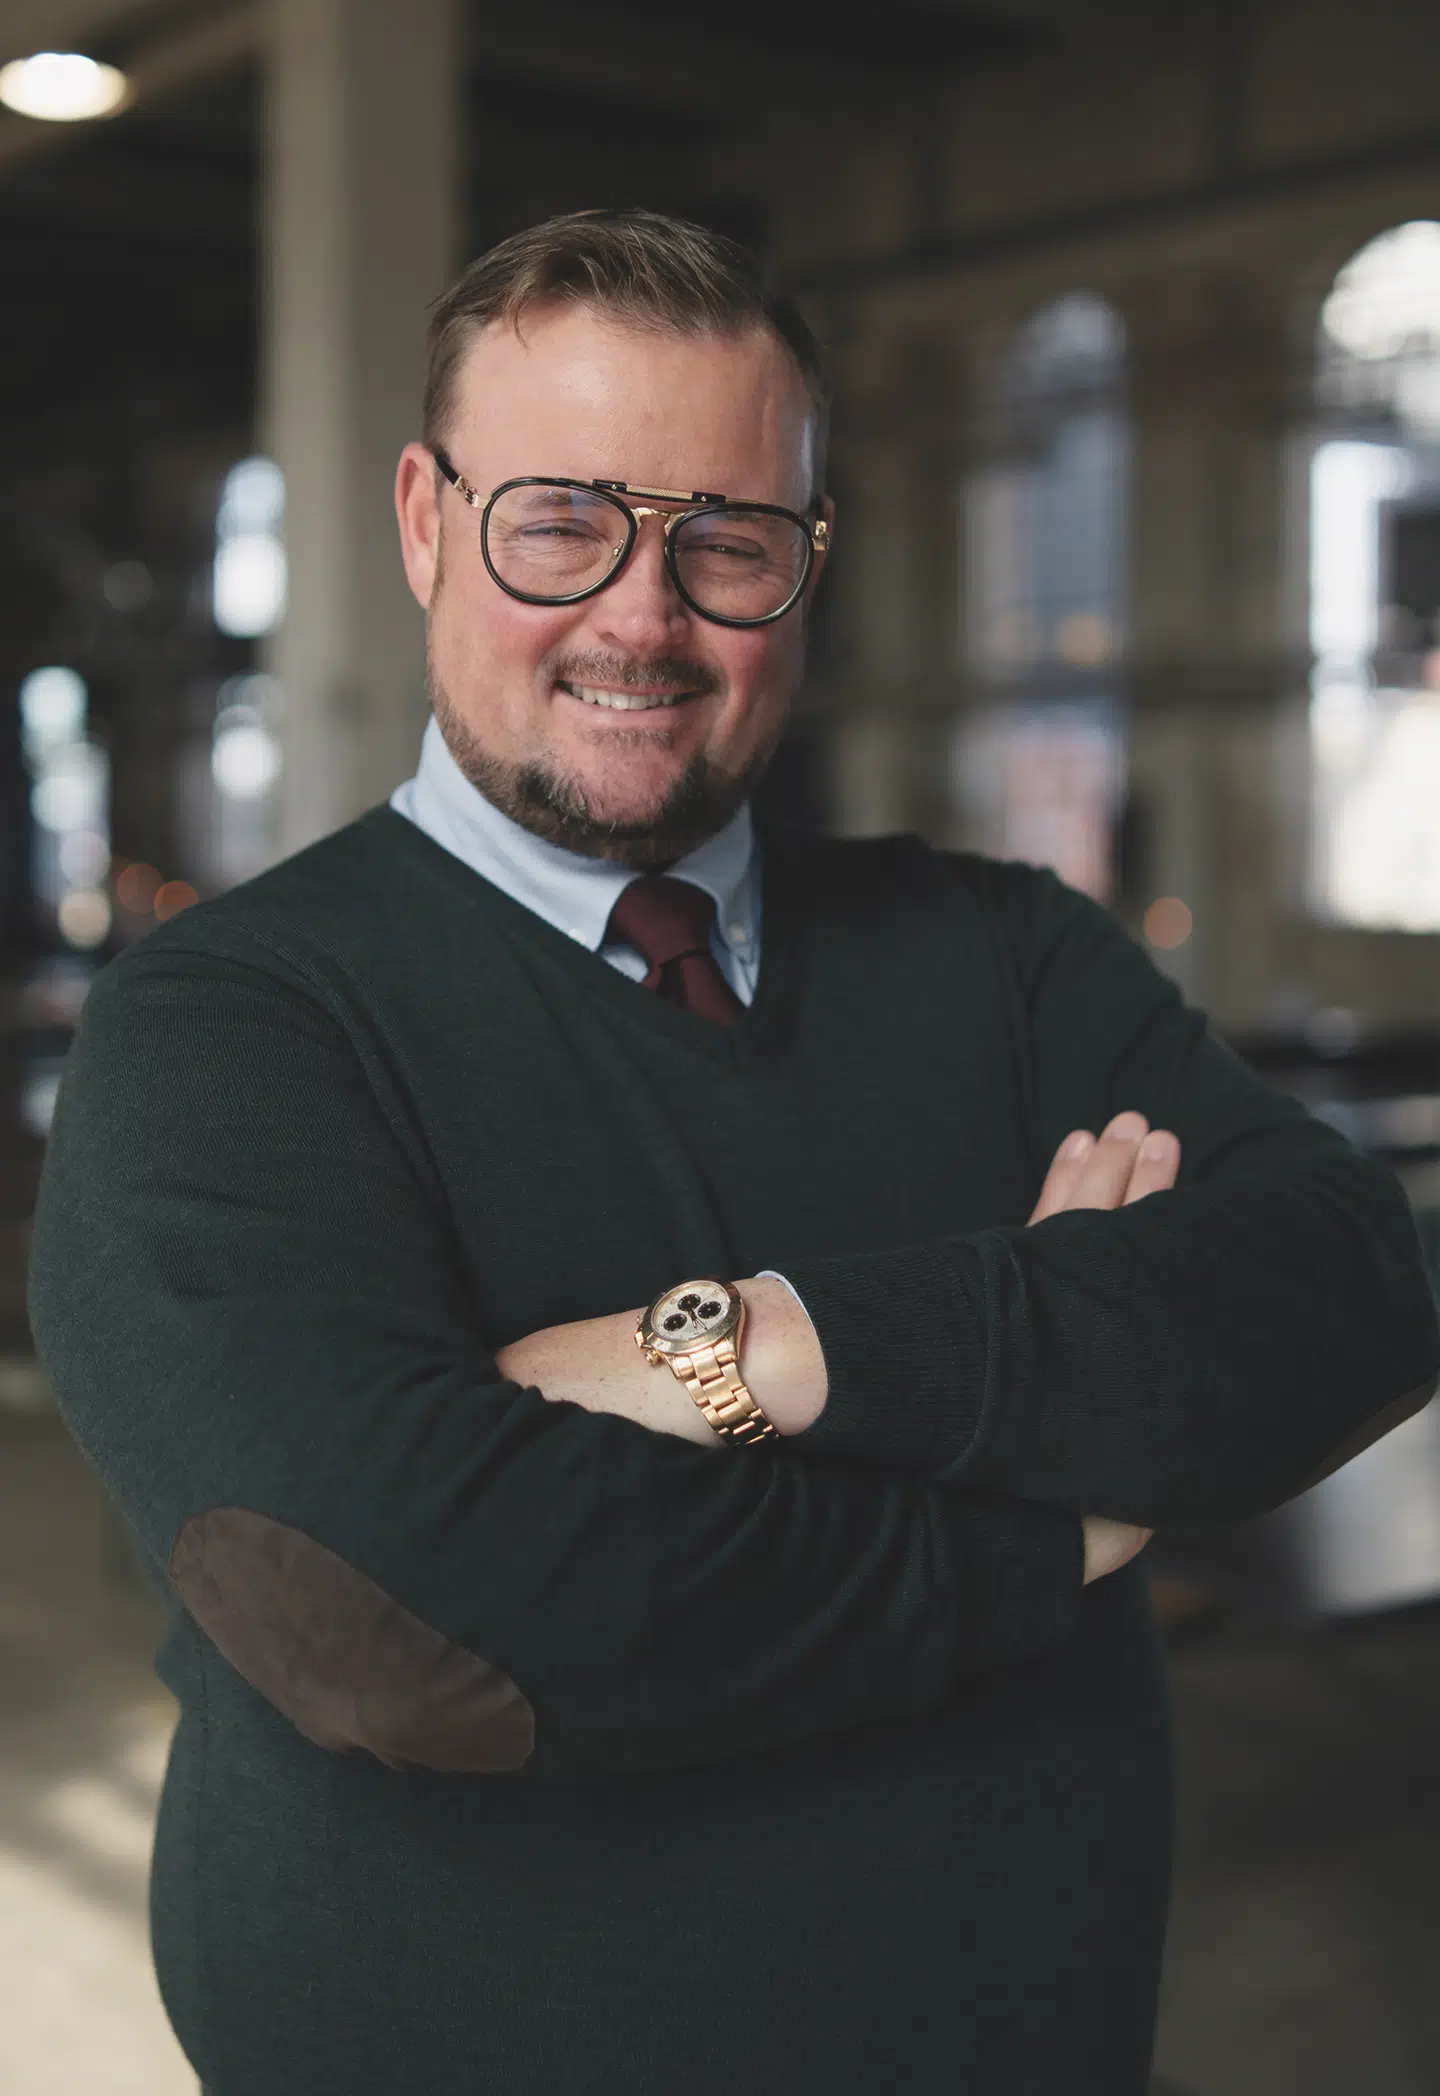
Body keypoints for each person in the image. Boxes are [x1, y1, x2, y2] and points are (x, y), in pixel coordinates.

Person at [27, 209, 1437, 2096]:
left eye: (727, 541)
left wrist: (762, 1351)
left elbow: (1348, 1289)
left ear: (810, 562)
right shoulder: (229, 1031)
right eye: (559, 521)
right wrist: (1048, 1520)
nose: (640, 613)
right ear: (428, 522)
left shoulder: (1009, 953)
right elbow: (391, 1611)